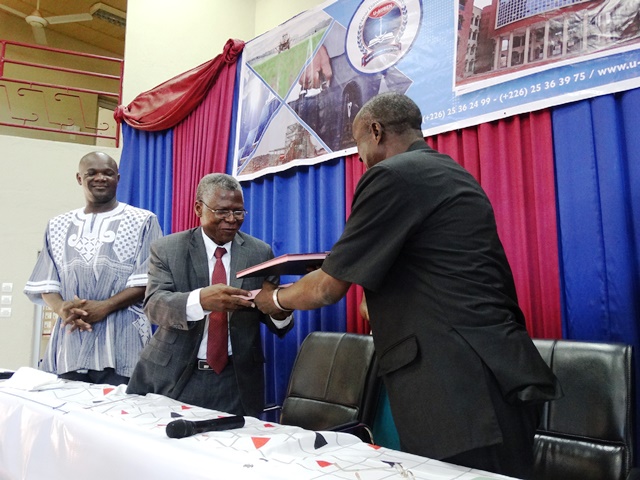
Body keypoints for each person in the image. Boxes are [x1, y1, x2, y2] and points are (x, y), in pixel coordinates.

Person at [255, 92, 562, 478]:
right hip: (496, 375)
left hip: (459, 389)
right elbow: (421, 274)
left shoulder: (390, 176)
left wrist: (274, 299)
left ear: (376, 131)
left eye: (358, 145)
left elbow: (326, 289)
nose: (360, 158)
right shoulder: (450, 173)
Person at [126, 173, 293, 417]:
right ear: (198, 209)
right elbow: (154, 306)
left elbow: (277, 322)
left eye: (238, 212)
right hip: (174, 375)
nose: (232, 220)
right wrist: (201, 301)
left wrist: (281, 308)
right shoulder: (168, 249)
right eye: (222, 211)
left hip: (236, 382)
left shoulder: (259, 253)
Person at [24, 151, 163, 386]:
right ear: (79, 178)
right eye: (92, 173)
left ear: (118, 178)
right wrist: (61, 309)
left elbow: (149, 279)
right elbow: (46, 280)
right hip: (70, 343)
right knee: (67, 406)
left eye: (108, 173)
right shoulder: (57, 225)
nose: (100, 178)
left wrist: (105, 306)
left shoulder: (143, 220)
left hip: (123, 343)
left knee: (120, 407)